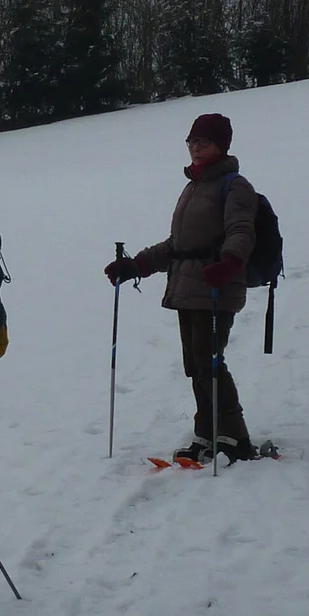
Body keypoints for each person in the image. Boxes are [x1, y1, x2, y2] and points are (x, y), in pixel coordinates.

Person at [105, 112, 261, 464]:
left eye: (203, 142)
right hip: (189, 286)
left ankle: (235, 438)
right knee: (196, 364)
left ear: (222, 145)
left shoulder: (235, 186)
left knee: (209, 362)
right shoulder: (193, 187)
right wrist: (136, 266)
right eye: (192, 142)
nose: (195, 148)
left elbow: (241, 230)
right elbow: (177, 244)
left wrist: (230, 263)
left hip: (217, 285)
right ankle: (207, 432)